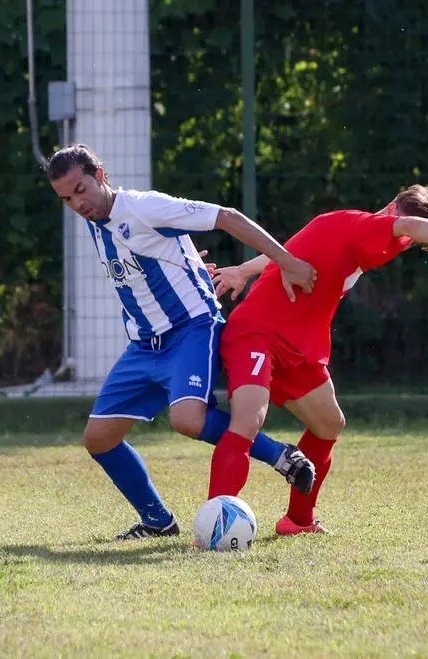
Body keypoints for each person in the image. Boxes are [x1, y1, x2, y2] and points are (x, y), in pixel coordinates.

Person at [205, 185, 428, 534]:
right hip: (257, 332)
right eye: (412, 236)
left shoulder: (359, 233)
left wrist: (245, 271)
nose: (408, 242)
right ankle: (213, 527)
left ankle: (297, 521)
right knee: (249, 419)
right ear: (394, 210)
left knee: (328, 425)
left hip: (298, 345)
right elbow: (410, 227)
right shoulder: (368, 225)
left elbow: (287, 249)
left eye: (416, 245)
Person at [46, 144, 319, 541]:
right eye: (66, 198)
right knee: (98, 439)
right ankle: (157, 520)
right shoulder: (95, 218)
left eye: (81, 189)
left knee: (187, 421)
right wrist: (190, 265)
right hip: (144, 346)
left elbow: (226, 217)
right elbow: (155, 254)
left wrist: (288, 261)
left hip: (192, 328)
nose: (77, 203)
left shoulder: (144, 207)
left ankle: (279, 454)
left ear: (101, 175)